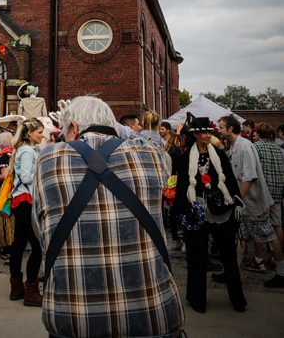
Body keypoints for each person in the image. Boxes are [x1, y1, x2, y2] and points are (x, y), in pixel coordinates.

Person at [33, 96, 184, 338]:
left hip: (73, 318)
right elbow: (158, 149)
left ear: (73, 127)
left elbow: (39, 228)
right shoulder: (153, 156)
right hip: (154, 315)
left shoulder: (48, 158)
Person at [175, 116, 246, 313]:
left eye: (209, 132)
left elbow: (229, 180)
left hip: (220, 208)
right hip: (197, 209)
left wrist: (236, 201)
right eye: (204, 132)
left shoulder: (219, 155)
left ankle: (237, 299)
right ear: (195, 134)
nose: (208, 135)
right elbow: (182, 186)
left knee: (228, 255)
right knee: (197, 256)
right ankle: (197, 299)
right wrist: (185, 209)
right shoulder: (186, 157)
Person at [219, 114, 284, 289]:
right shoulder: (234, 146)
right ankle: (232, 272)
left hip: (253, 203)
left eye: (221, 128)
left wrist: (236, 201)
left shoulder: (245, 147)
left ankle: (281, 273)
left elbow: (248, 178)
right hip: (245, 204)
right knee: (240, 237)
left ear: (230, 129)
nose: (219, 130)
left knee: (269, 236)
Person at [9, 117, 44, 307]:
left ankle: (16, 288)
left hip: (20, 200)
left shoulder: (23, 149)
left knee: (19, 244)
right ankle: (31, 291)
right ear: (29, 133)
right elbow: (26, 176)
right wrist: (42, 172)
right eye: (39, 132)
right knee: (37, 247)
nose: (42, 135)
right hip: (26, 201)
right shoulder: (28, 151)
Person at [250, 123, 284, 275]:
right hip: (278, 190)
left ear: (258, 133)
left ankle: (258, 259)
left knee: (258, 226)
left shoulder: (256, 148)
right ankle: (274, 257)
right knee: (277, 224)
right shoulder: (279, 150)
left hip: (263, 192)